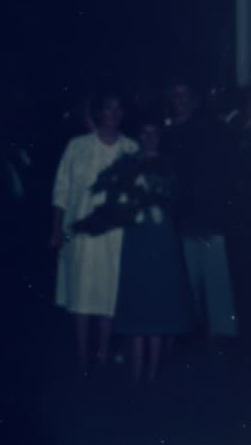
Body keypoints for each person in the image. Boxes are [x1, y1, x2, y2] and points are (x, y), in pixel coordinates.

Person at [74, 117, 194, 383]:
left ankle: (153, 373)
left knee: (160, 304)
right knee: (137, 302)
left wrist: (163, 209)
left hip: (162, 240)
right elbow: (112, 200)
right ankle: (136, 375)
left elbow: (179, 201)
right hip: (137, 240)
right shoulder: (128, 163)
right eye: (145, 131)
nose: (150, 137)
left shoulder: (170, 164)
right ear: (139, 135)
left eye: (154, 132)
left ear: (160, 136)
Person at [50, 92, 138, 371]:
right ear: (99, 113)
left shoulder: (131, 148)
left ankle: (102, 354)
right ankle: (82, 355)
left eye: (118, 109)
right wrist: (55, 231)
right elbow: (61, 191)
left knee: (109, 294)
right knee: (81, 292)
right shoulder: (77, 146)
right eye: (108, 109)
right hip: (80, 233)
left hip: (115, 235)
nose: (112, 114)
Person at [164, 80, 239, 342]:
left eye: (184, 95)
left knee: (218, 292)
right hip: (183, 223)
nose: (180, 100)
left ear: (194, 98)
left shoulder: (212, 128)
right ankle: (190, 342)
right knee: (187, 290)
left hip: (210, 221)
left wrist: (212, 217)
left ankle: (220, 348)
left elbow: (222, 177)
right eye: (175, 95)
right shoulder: (168, 136)